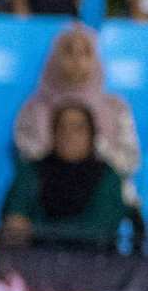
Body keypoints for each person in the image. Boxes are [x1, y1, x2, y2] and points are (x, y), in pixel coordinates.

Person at [13, 23, 140, 198]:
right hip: (47, 195)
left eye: (85, 53)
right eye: (69, 52)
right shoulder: (32, 109)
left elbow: (130, 161)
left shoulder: (116, 108)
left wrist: (93, 150)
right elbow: (29, 160)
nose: (77, 61)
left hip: (101, 194)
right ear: (55, 57)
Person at [1, 101, 126, 250]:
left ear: (91, 134)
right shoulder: (31, 171)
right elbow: (13, 219)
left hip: (94, 265)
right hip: (33, 262)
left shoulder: (108, 176)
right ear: (53, 132)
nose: (69, 134)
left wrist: (34, 230)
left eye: (78, 128)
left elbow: (99, 229)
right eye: (62, 126)